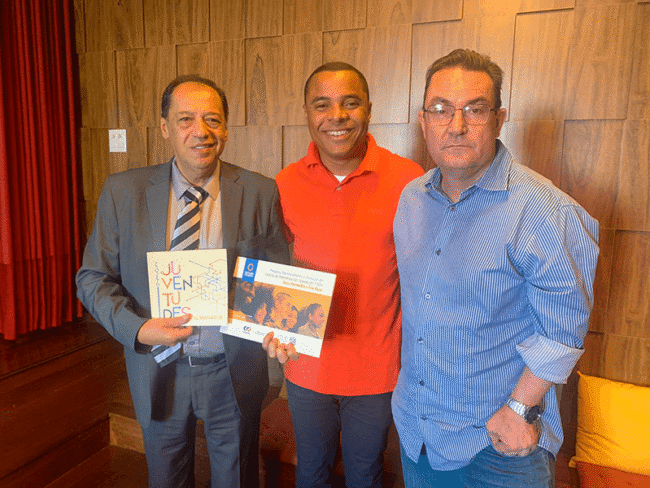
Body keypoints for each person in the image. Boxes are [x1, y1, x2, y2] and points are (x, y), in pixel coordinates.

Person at [392, 49, 600, 487]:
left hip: (498, 445)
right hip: (418, 432)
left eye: (475, 109)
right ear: (424, 121)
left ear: (499, 118)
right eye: (441, 110)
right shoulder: (410, 199)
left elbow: (563, 329)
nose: (456, 125)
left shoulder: (544, 210)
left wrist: (520, 410)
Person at [76, 74, 289, 488]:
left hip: (232, 370)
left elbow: (274, 278)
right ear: (165, 128)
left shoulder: (259, 191)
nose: (200, 131)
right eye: (186, 119)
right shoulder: (124, 192)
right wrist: (138, 329)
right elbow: (92, 278)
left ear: (226, 128)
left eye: (212, 119)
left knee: (237, 479)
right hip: (159, 369)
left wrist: (280, 327)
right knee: (167, 479)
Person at [264, 62, 424, 488]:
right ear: (307, 112)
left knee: (365, 475)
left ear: (368, 109)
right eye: (322, 105)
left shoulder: (409, 180)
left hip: (376, 369)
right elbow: (275, 266)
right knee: (309, 471)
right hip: (304, 365)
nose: (336, 116)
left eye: (350, 103)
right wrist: (268, 323)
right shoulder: (284, 183)